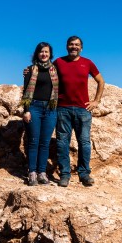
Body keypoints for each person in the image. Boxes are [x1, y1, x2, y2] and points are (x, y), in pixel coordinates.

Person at [53, 36, 104, 187]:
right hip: (62, 109)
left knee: (84, 143)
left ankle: (84, 174)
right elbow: (45, 75)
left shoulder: (87, 63)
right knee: (62, 143)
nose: (74, 47)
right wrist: (29, 71)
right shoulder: (58, 62)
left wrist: (96, 101)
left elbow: (101, 81)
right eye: (71, 44)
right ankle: (65, 175)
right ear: (67, 46)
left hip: (83, 109)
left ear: (81, 48)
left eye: (77, 45)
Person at [20, 42, 59, 186]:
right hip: (34, 107)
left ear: (50, 54)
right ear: (37, 53)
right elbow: (25, 92)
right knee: (33, 142)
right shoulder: (30, 70)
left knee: (45, 143)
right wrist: (26, 110)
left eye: (47, 52)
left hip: (51, 108)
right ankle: (32, 173)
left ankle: (42, 173)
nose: (44, 54)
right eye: (41, 52)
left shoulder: (55, 70)